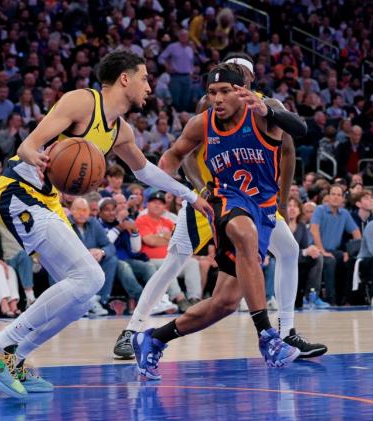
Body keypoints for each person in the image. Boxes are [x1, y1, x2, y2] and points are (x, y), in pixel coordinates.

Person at [0, 50, 212, 398]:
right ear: (125, 78)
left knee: (82, 296)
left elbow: (144, 171)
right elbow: (26, 145)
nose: (149, 87)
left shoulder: (121, 130)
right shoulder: (82, 102)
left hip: (48, 203)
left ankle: (14, 358)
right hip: (18, 191)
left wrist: (190, 195)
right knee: (90, 276)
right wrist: (36, 156)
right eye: (144, 78)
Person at [114, 54, 325, 362]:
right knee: (184, 256)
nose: (218, 98)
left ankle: (153, 339)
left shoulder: (266, 109)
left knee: (226, 301)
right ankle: (269, 336)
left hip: (261, 205)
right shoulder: (206, 114)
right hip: (215, 198)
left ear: (247, 83)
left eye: (230, 87)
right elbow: (177, 155)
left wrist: (281, 200)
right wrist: (190, 190)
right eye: (214, 91)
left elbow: (295, 141)